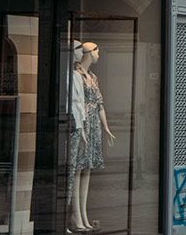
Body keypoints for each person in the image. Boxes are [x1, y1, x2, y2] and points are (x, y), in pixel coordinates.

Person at [69, 41, 115, 232]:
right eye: (96, 51)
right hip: (82, 123)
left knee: (87, 168)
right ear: (87, 53)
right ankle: (76, 216)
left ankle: (84, 215)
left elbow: (99, 102)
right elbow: (76, 103)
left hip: (94, 124)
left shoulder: (93, 76)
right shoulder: (76, 75)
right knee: (79, 168)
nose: (98, 54)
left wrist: (105, 127)